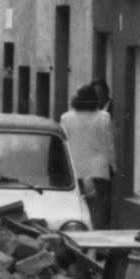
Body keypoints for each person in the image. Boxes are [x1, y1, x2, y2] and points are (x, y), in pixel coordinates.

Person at [60, 80, 117, 229]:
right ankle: (99, 244)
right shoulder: (104, 117)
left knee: (77, 207)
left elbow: (63, 145)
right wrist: (113, 166)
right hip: (99, 171)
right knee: (98, 210)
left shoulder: (66, 118)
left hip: (75, 170)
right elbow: (109, 145)